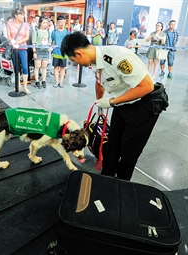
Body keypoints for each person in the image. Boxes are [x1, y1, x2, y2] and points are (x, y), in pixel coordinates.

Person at [60, 32, 168, 181]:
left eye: (74, 60)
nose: (77, 64)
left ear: (79, 53)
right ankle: (107, 178)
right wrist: (100, 102)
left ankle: (122, 185)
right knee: (112, 144)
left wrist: (111, 102)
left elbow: (147, 86)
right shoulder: (94, 61)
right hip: (122, 102)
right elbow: (101, 82)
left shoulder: (117, 57)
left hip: (144, 105)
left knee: (129, 150)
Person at [6, 8, 31, 94]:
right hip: (14, 49)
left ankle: (25, 86)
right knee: (16, 67)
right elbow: (9, 36)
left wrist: (18, 42)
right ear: (15, 15)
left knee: (25, 67)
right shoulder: (9, 24)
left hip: (23, 48)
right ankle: (18, 85)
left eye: (23, 14)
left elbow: (27, 37)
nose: (22, 16)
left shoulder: (26, 25)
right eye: (20, 14)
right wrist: (14, 43)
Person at [32, 15, 52, 89]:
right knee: (37, 67)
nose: (45, 24)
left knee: (44, 67)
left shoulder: (48, 32)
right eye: (44, 23)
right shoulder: (36, 31)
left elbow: (49, 42)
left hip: (46, 51)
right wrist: (34, 52)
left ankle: (44, 80)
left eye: (46, 23)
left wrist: (50, 48)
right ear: (40, 23)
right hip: (38, 51)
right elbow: (33, 43)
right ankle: (37, 81)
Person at [51, 15, 70, 88]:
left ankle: (61, 82)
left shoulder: (67, 32)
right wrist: (51, 48)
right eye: (60, 22)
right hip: (56, 52)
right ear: (57, 23)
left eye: (63, 22)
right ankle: (56, 82)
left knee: (62, 68)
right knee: (56, 67)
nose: (62, 23)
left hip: (64, 53)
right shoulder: (54, 32)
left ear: (65, 22)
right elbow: (51, 41)